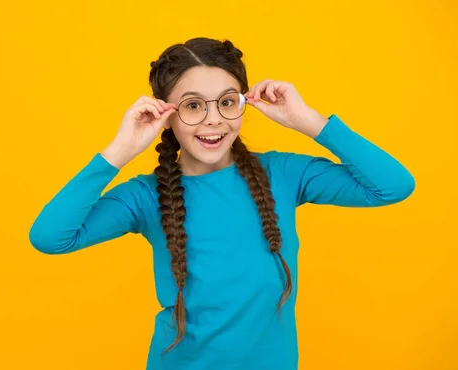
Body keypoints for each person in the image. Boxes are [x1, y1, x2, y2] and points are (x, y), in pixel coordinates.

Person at [28, 37, 415, 370]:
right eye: (194, 106)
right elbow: (50, 236)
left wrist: (308, 120)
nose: (214, 121)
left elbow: (393, 186)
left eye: (227, 102)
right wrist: (119, 152)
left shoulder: (283, 173)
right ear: (165, 114)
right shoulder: (145, 196)